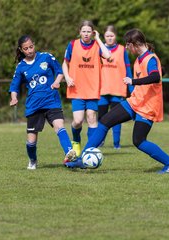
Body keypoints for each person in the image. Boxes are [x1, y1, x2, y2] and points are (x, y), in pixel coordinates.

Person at [65, 29, 169, 174]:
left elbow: (155, 77)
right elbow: (158, 72)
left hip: (147, 106)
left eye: (128, 44)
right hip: (135, 102)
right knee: (105, 121)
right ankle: (83, 158)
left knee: (139, 141)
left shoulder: (150, 58)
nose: (126, 47)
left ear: (136, 44)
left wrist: (133, 81)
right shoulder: (140, 58)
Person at [9, 35, 76, 170]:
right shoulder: (21, 67)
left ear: (34, 44)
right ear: (21, 50)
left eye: (31, 47)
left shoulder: (46, 57)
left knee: (59, 126)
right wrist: (14, 97)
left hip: (51, 101)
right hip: (34, 106)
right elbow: (14, 85)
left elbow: (59, 71)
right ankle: (33, 160)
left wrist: (57, 82)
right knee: (31, 141)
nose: (29, 50)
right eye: (26, 49)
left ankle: (69, 152)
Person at [62, 20, 111, 158]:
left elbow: (108, 56)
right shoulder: (72, 44)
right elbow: (65, 63)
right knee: (77, 121)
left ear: (93, 32)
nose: (86, 34)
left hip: (92, 89)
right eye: (83, 31)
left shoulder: (97, 45)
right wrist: (67, 77)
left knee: (91, 118)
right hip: (76, 89)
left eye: (89, 31)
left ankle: (89, 150)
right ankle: (76, 141)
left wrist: (99, 39)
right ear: (79, 32)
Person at [98, 25, 133, 149]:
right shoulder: (99, 49)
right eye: (107, 36)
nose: (109, 38)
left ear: (115, 36)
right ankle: (99, 141)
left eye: (111, 36)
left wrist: (131, 89)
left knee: (116, 118)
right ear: (104, 37)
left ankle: (116, 144)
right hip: (102, 89)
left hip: (117, 89)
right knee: (101, 118)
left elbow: (128, 69)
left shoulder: (122, 50)